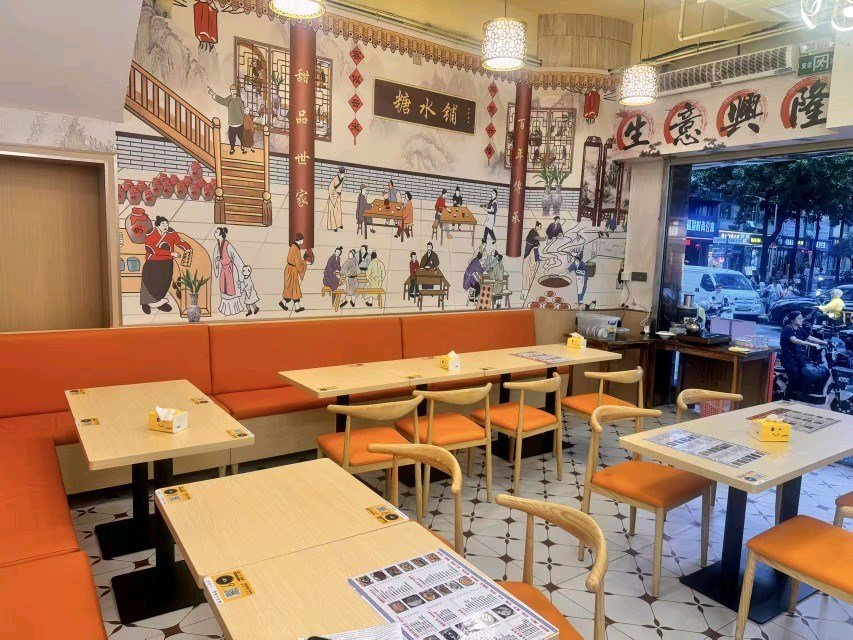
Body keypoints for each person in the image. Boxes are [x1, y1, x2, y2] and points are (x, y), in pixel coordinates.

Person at [140, 216, 190, 314]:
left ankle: (159, 302)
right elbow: (150, 249)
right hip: (153, 261)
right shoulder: (150, 233)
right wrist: (171, 253)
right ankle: (145, 303)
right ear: (157, 225)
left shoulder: (171, 232)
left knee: (164, 283)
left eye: (167, 224)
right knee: (149, 282)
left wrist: (187, 248)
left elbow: (179, 242)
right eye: (163, 224)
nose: (166, 226)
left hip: (167, 262)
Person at [779, 310, 826, 401]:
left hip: (798, 358)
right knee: (794, 378)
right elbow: (794, 340)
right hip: (789, 359)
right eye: (799, 318)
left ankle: (796, 395)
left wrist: (825, 342)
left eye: (802, 318)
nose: (801, 320)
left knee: (804, 376)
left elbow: (809, 337)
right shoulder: (788, 329)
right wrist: (810, 344)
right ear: (793, 320)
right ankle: (786, 398)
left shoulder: (799, 329)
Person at [213, 226, 245, 316]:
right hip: (223, 270)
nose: (215, 233)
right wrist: (218, 260)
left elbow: (236, 258)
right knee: (224, 289)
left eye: (216, 232)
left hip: (230, 270)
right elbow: (217, 257)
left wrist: (242, 271)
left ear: (221, 234)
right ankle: (226, 309)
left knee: (231, 289)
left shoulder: (228, 245)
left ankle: (233, 309)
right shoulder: (217, 245)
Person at [208, 84, 246, 154]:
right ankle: (232, 149)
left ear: (236, 91)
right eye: (232, 90)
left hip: (239, 123)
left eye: (234, 90)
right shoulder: (229, 99)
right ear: (230, 91)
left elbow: (242, 110)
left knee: (241, 137)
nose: (233, 92)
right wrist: (213, 94)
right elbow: (222, 100)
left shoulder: (239, 99)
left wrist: (245, 118)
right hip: (232, 124)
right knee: (231, 138)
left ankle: (243, 147)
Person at [280, 233, 307, 313]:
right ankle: (295, 307)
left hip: (291, 269)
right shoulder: (295, 248)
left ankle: (285, 303)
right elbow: (297, 262)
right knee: (294, 289)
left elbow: (298, 260)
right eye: (302, 239)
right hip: (292, 270)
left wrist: (304, 262)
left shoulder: (295, 247)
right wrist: (302, 267)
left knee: (291, 289)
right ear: (299, 240)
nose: (303, 241)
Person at [326, 167, 345, 231]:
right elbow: (330, 188)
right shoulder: (335, 179)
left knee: (338, 211)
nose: (343, 175)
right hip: (333, 198)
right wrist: (335, 195)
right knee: (333, 212)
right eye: (342, 173)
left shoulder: (342, 178)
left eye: (343, 173)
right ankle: (334, 227)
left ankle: (339, 224)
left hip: (338, 197)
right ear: (339, 173)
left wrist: (338, 194)